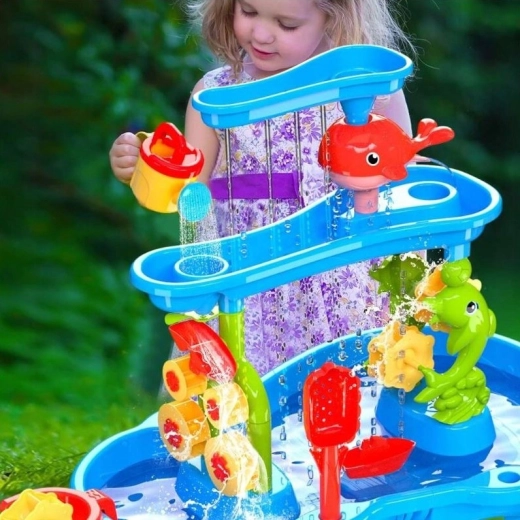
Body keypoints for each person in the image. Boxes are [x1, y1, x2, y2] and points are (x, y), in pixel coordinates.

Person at [109, 0, 415, 375]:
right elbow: (189, 195)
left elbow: (405, 190)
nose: (261, 34)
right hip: (246, 285)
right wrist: (144, 170)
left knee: (344, 387)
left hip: (344, 282)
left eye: (286, 24)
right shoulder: (216, 95)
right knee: (241, 391)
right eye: (249, 12)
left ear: (335, 17)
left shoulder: (368, 89)